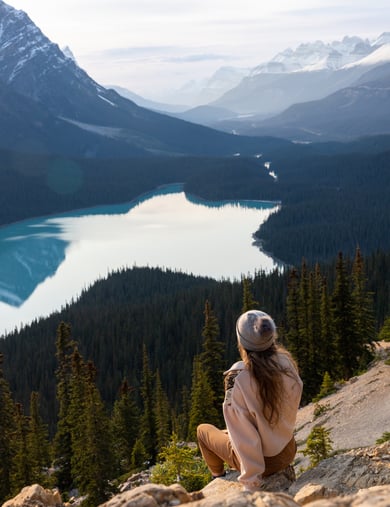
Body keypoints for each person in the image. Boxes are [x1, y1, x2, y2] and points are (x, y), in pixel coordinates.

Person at [197, 309, 303, 492]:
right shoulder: (286, 362)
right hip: (287, 449)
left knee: (203, 431)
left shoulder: (237, 377)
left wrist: (251, 484)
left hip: (265, 464)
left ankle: (218, 478)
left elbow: (244, 435)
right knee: (228, 432)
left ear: (241, 342)